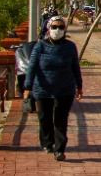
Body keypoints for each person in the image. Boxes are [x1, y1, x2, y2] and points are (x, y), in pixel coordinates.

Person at [25, 15, 82, 159]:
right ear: (48, 29)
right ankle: (47, 143)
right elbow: (32, 67)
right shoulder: (40, 46)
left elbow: (75, 67)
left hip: (65, 90)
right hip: (43, 89)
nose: (57, 30)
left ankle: (60, 150)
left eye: (61, 27)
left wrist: (79, 86)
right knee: (45, 119)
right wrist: (27, 87)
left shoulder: (70, 47)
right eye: (54, 27)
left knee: (60, 120)